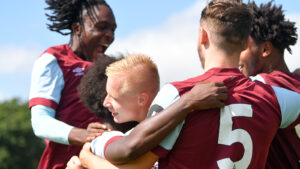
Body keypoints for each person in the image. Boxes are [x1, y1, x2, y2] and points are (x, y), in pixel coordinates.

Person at [72, 1, 300, 168]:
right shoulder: (274, 97)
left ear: (202, 35)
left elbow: (131, 157)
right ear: (245, 43)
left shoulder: (176, 94)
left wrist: (90, 152)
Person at [66, 53, 228, 169]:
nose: (106, 102)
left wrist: (88, 160)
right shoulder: (112, 138)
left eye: (113, 96)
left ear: (141, 99)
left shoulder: (178, 129)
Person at [28, 0, 126, 168]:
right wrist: (85, 135)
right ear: (77, 28)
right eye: (102, 27)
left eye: (113, 29)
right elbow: (40, 123)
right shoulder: (55, 60)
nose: (110, 35)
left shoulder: (110, 68)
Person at [238, 1, 300, 168]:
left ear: (265, 49)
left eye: (242, 46)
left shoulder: (264, 86)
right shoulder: (293, 83)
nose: (235, 54)